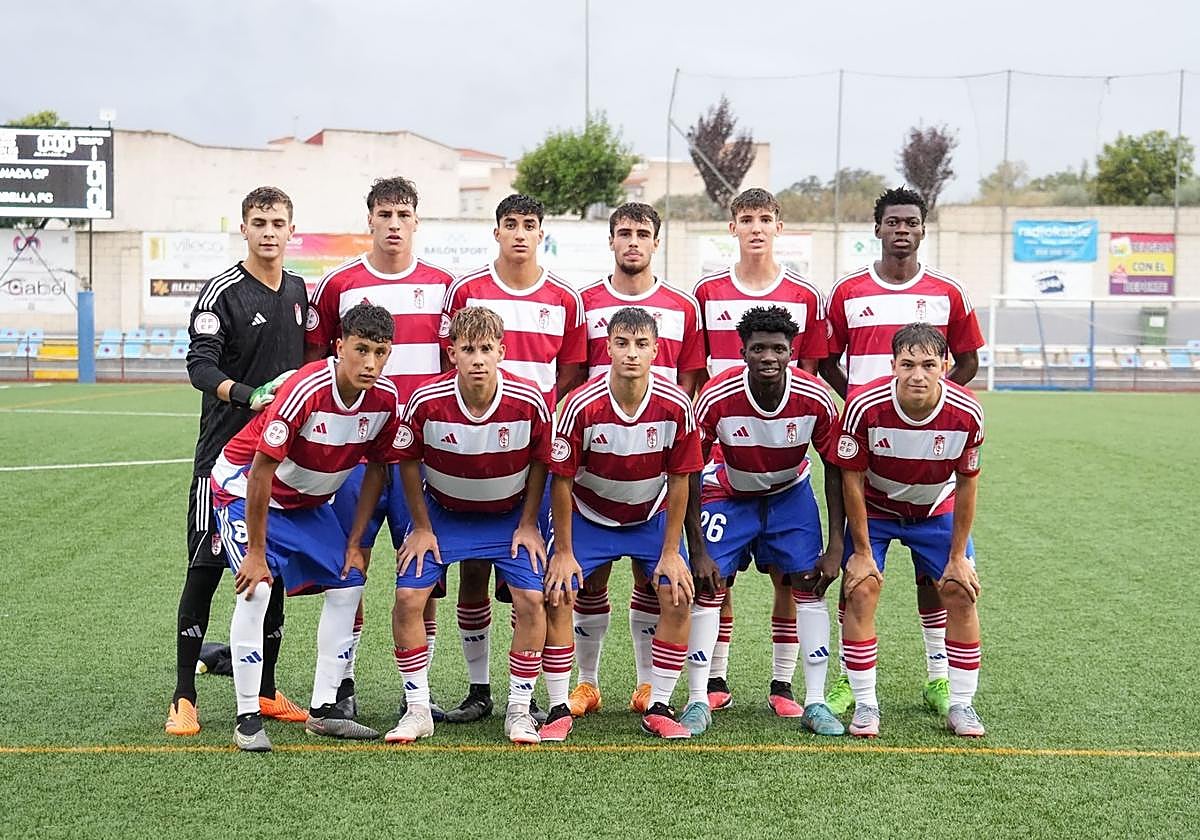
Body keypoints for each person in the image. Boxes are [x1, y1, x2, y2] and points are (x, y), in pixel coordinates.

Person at [819, 186, 985, 718]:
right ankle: (849, 683)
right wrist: (862, 403)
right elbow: (826, 359)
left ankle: (939, 678)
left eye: (911, 222)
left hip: (926, 458)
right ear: (878, 228)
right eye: (892, 222)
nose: (901, 230)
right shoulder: (847, 291)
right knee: (859, 572)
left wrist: (929, 406)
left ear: (922, 229)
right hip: (864, 445)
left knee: (938, 579)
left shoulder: (948, 293)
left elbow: (967, 360)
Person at [211, 304, 404, 751]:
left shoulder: (386, 400)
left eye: (380, 352)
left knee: (349, 582)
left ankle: (324, 710)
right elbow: (260, 471)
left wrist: (355, 542)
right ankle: (247, 717)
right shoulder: (306, 388)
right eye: (361, 350)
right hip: (244, 489)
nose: (370, 363)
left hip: (306, 502)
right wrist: (256, 553)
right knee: (256, 589)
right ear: (339, 347)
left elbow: (377, 470)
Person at [305, 176, 453, 716]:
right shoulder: (338, 284)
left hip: (422, 456)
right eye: (384, 214)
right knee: (352, 565)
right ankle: (341, 685)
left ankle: (420, 696)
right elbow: (318, 362)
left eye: (403, 214)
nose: (394, 224)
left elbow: (452, 365)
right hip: (357, 453)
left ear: (416, 221)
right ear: (369, 218)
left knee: (422, 572)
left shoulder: (443, 287)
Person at [436, 194, 586, 724]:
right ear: (496, 231)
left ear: (542, 232)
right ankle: (479, 690)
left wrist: (539, 420)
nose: (520, 233)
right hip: (474, 450)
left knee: (536, 579)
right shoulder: (466, 290)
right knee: (474, 571)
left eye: (529, 225)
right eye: (510, 224)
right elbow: (449, 362)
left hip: (534, 453)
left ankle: (541, 693)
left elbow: (571, 372)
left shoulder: (565, 298)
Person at [167, 185, 309, 737]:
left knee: (270, 570)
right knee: (204, 572)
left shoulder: (298, 291)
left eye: (278, 223)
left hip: (275, 461)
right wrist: (250, 396)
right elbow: (199, 367)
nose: (269, 232)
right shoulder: (222, 292)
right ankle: (183, 696)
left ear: (291, 230)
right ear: (244, 229)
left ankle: (267, 690)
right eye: (259, 223)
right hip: (222, 462)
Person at [382, 307, 553, 745]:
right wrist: (422, 527)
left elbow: (542, 463)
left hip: (509, 516)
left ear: (502, 352)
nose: (477, 359)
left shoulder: (529, 400)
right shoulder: (425, 400)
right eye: (468, 349)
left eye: (486, 349)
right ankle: (418, 710)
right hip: (444, 515)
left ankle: (519, 710)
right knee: (407, 598)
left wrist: (529, 523)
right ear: (451, 353)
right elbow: (406, 461)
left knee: (532, 599)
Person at [691, 187, 829, 713]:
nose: (755, 227)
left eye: (765, 219)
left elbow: (810, 376)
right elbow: (698, 371)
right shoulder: (707, 292)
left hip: (786, 469)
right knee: (714, 578)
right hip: (726, 466)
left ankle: (785, 686)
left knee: (792, 578)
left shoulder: (806, 296)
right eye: (746, 219)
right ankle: (713, 683)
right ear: (733, 227)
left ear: (778, 227)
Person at [541, 307, 703, 742]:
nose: (632, 353)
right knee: (560, 591)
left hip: (649, 515)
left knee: (677, 592)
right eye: (623, 343)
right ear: (608, 348)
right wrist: (563, 552)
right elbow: (561, 481)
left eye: (641, 344)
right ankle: (565, 701)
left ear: (656, 350)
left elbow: (681, 479)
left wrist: (672, 551)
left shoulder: (677, 405)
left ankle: (658, 702)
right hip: (589, 514)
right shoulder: (580, 405)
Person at [573, 202, 708, 719]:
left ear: (656, 241)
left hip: (656, 462)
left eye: (642, 233)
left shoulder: (683, 306)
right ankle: (586, 684)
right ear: (611, 240)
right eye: (624, 232)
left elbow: (690, 379)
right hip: (598, 463)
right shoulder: (584, 302)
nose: (633, 241)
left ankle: (649, 685)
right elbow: (577, 376)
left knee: (653, 579)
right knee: (590, 580)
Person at [693, 306, 845, 736]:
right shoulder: (716, 396)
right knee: (709, 587)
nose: (768, 357)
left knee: (807, 585)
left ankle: (810, 699)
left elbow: (835, 467)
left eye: (778, 349)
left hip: (789, 495)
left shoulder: (815, 397)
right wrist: (697, 548)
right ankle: (699, 697)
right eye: (758, 348)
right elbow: (688, 469)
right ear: (742, 352)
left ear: (791, 352)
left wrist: (836, 545)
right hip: (729, 493)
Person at [834, 322, 986, 738]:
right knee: (861, 588)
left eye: (928, 365)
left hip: (935, 509)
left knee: (960, 590)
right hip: (877, 509)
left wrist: (958, 556)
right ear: (893, 366)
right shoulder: (864, 405)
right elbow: (851, 479)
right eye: (908, 364)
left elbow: (968, 483)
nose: (917, 375)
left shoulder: (967, 412)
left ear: (945, 366)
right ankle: (866, 704)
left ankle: (962, 704)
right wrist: (861, 551)